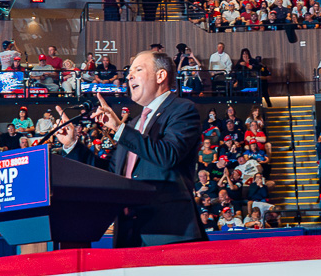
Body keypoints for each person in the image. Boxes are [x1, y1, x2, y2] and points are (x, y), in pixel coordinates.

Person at [51, 50, 206, 246]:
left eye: (138, 69)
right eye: (129, 71)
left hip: (168, 233)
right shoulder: (132, 126)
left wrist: (118, 128)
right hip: (129, 235)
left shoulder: (182, 110)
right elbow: (109, 174)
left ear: (161, 76)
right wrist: (72, 144)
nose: (129, 75)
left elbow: (168, 155)